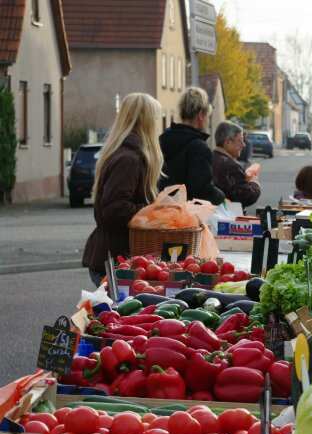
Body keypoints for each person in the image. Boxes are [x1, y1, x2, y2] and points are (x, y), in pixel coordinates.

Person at [82, 93, 163, 287]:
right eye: (156, 119)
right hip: (115, 259)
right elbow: (114, 209)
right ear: (146, 121)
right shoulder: (129, 160)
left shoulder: (126, 153)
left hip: (114, 256)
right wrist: (154, 210)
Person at [159, 87, 225, 204]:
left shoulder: (162, 139)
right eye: (208, 116)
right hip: (186, 216)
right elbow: (202, 191)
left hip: (160, 210)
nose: (207, 121)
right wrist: (222, 197)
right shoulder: (199, 147)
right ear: (200, 115)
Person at [212, 121, 261, 208]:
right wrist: (254, 182)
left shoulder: (209, 157)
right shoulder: (231, 166)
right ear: (227, 142)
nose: (244, 145)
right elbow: (246, 197)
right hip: (227, 218)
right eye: (240, 141)